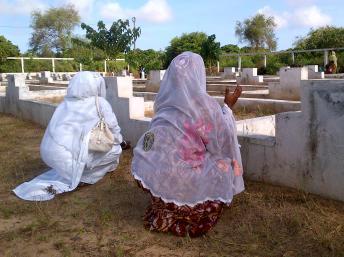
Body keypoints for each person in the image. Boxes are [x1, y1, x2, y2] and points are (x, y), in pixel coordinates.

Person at [131, 52, 244, 237]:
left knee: (178, 160)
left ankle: (165, 206)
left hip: (148, 169)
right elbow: (219, 143)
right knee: (225, 166)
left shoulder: (164, 102)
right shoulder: (203, 105)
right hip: (181, 174)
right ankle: (187, 207)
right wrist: (228, 108)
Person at [13, 71, 125, 201]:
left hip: (49, 154)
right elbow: (114, 129)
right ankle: (85, 176)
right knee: (116, 150)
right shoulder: (99, 103)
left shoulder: (65, 103)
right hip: (65, 158)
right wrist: (119, 142)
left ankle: (75, 169)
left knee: (84, 147)